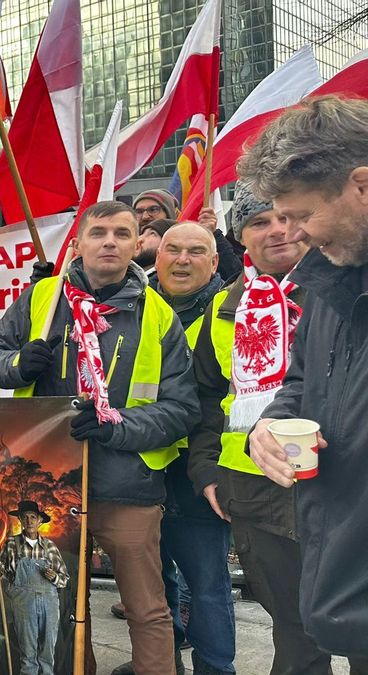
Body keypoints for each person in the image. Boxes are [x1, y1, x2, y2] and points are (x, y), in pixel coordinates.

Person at [0, 200, 198, 675]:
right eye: (99, 233)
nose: (110, 242)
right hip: (50, 488)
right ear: (77, 244)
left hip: (127, 485)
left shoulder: (157, 314)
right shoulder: (42, 299)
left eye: (122, 233)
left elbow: (182, 409)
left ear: (138, 245)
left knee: (148, 609)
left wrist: (118, 427)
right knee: (68, 612)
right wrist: (18, 365)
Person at [238, 95, 368, 670]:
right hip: (343, 571)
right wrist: (268, 424)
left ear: (361, 186)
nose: (294, 235)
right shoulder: (326, 280)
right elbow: (300, 382)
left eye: (300, 215)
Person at [188, 182, 322, 674]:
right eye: (259, 222)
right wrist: (205, 472)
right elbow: (204, 400)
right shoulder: (222, 306)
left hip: (340, 483)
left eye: (285, 217)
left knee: (355, 624)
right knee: (292, 629)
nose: (277, 230)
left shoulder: (342, 288)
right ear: (240, 236)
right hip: (253, 492)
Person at [109, 222, 233, 675]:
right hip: (142, 464)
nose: (183, 259)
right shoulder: (136, 306)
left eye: (196, 251)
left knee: (207, 582)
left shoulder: (228, 310)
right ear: (155, 258)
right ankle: (167, 657)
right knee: (156, 578)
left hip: (198, 467)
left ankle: (216, 668)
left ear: (215, 261)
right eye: (173, 250)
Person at [0, 500, 69, 675]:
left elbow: (64, 579)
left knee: (47, 652)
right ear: (20, 519)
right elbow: (3, 574)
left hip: (49, 602)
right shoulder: (12, 544)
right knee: (28, 654)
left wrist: (54, 577)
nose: (29, 521)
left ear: (39, 521)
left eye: (33, 517)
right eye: (25, 517)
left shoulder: (50, 547)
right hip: (23, 603)